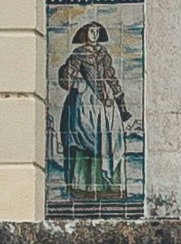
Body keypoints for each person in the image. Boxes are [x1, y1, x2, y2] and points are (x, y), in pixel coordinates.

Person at [53, 15, 134, 204]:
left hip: (105, 103)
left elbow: (110, 76)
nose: (94, 34)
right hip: (84, 100)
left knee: (110, 135)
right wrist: (67, 73)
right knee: (84, 137)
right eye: (91, 31)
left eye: (97, 31)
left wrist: (118, 97)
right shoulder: (78, 55)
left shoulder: (103, 54)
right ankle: (83, 186)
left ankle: (109, 186)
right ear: (84, 34)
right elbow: (67, 81)